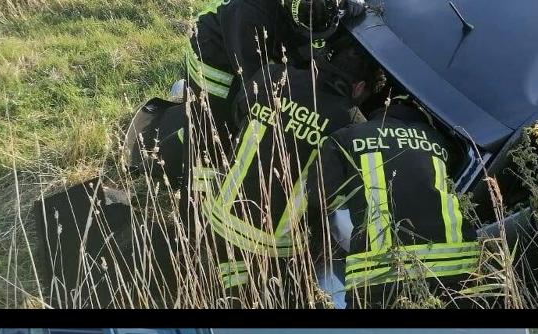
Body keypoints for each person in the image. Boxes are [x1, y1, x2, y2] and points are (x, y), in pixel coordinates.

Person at [185, 37, 384, 305]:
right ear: (359, 87)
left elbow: (237, 113)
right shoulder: (352, 124)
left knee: (227, 283)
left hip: (218, 219)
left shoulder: (272, 76)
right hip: (274, 248)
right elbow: (330, 197)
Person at [316, 96, 484, 308]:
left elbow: (317, 194)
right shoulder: (439, 140)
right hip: (457, 266)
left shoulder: (347, 137)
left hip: (381, 271)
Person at [185, 0, 367, 158]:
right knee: (215, 132)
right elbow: (254, 90)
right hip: (214, 50)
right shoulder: (249, 13)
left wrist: (344, 6)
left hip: (269, 29)